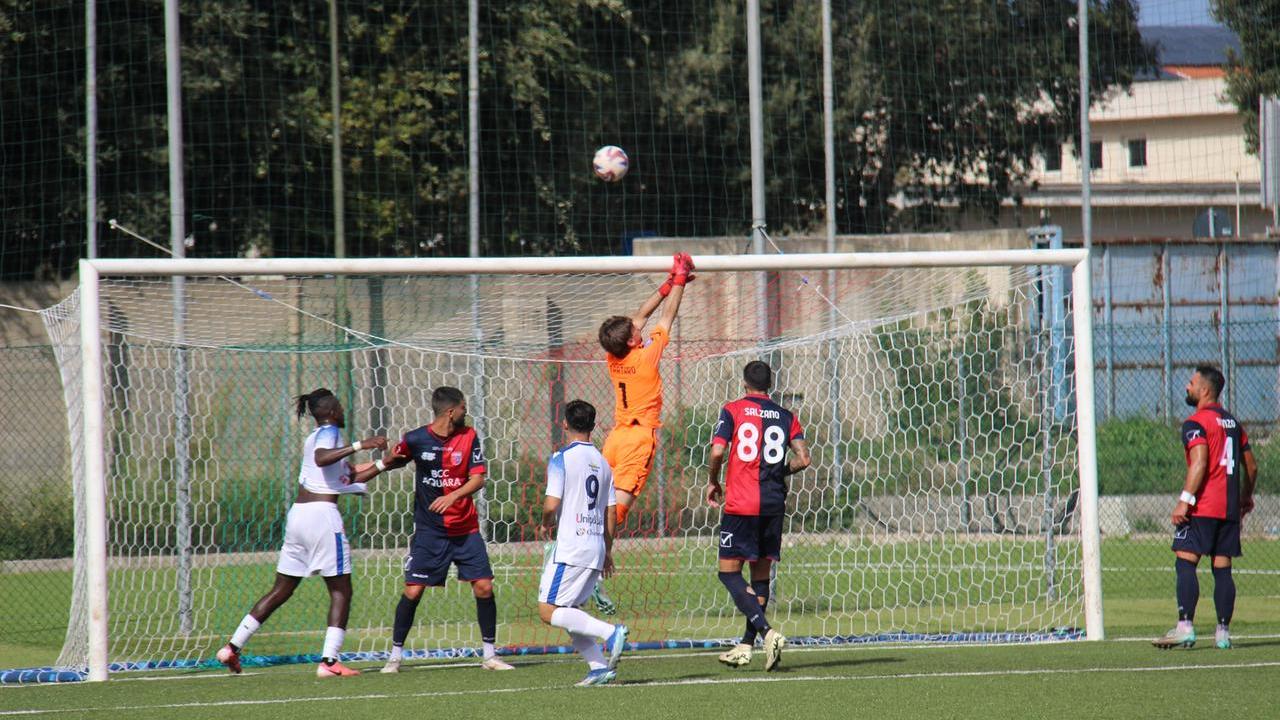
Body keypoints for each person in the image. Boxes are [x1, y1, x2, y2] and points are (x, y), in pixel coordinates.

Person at [215, 388, 391, 677]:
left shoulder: (314, 438)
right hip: (322, 518)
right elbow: (324, 458)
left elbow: (347, 475)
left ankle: (232, 648)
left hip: (299, 517)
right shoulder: (328, 434)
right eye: (341, 406)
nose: (344, 411)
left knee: (282, 589)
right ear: (332, 411)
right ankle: (330, 663)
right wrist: (363, 443)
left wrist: (385, 463)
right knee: (341, 590)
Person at [379, 386, 515, 672]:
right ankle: (394, 656)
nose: (467, 412)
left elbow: (478, 479)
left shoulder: (470, 436)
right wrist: (384, 459)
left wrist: (453, 496)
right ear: (451, 411)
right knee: (413, 591)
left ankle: (490, 656)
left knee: (484, 587)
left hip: (466, 529)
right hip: (430, 532)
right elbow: (396, 459)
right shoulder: (416, 439)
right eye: (464, 407)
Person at [591, 251, 695, 613]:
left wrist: (667, 283)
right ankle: (600, 571)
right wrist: (679, 281)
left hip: (615, 437)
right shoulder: (645, 357)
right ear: (634, 341)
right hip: (637, 440)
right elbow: (666, 316)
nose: (640, 327)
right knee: (616, 512)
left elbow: (641, 316)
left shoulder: (614, 356)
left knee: (595, 504)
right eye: (636, 331)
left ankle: (579, 558)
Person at [706, 361, 810, 671]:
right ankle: (746, 646)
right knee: (760, 576)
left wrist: (713, 480)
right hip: (773, 504)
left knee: (728, 573)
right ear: (770, 384)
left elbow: (716, 452)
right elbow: (804, 459)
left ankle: (767, 632)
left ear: (744, 383)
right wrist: (780, 472)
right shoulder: (786, 416)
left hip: (741, 504)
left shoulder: (733, 410)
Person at [1153, 366, 1257, 650]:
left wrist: (1185, 499)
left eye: (1192, 382)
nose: (1187, 386)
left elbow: (1199, 462)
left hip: (1203, 507)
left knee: (1185, 561)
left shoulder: (1195, 422)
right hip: (1229, 509)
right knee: (1222, 569)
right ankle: (1223, 633)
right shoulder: (1234, 424)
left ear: (1205, 390)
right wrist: (1245, 497)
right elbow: (1252, 466)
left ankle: (1185, 626)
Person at [535, 400, 629, 686]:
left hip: (571, 547)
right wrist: (608, 551)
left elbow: (551, 504)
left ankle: (611, 632)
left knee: (547, 610)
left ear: (564, 424)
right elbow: (611, 512)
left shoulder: (561, 457)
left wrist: (544, 524)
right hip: (595, 547)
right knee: (569, 611)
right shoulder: (603, 464)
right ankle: (599, 667)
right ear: (593, 425)